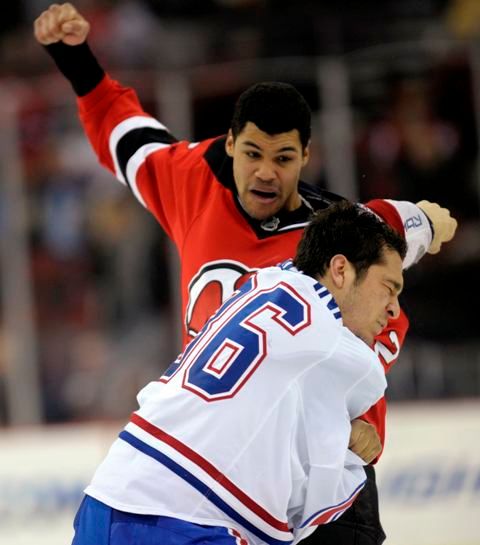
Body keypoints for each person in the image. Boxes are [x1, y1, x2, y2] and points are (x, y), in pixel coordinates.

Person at [33, 4, 457, 545]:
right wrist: (75, 59)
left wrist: (358, 419)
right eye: (252, 153)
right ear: (229, 144)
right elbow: (127, 135)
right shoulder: (192, 182)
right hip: (212, 448)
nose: (265, 172)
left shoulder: (335, 237)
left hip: (308, 455)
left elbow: (383, 317)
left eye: (283, 158)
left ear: (307, 156)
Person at [71, 201, 406, 545]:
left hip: (109, 494)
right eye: (389, 287)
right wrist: (349, 438)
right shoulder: (340, 345)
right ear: (340, 269)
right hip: (192, 520)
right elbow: (322, 497)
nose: (393, 307)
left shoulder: (259, 284)